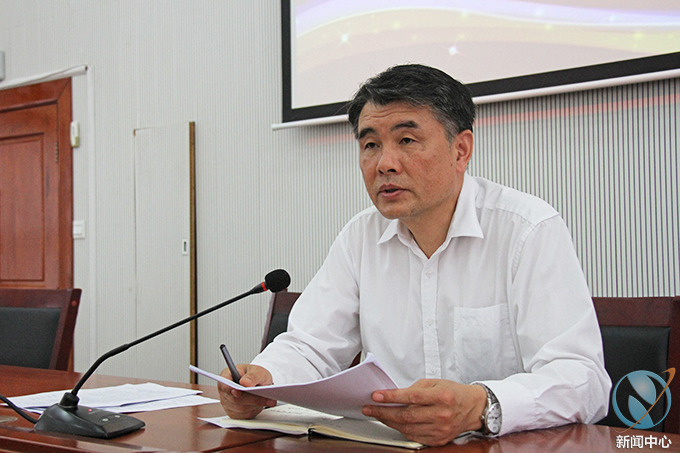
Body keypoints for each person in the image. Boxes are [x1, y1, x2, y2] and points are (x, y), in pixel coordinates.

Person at [218, 64, 611, 446]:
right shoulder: (361, 237)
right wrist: (265, 379)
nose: (385, 164)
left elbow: (583, 380)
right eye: (370, 145)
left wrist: (481, 405)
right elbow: (311, 346)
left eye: (406, 140)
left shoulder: (527, 229)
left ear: (461, 150)